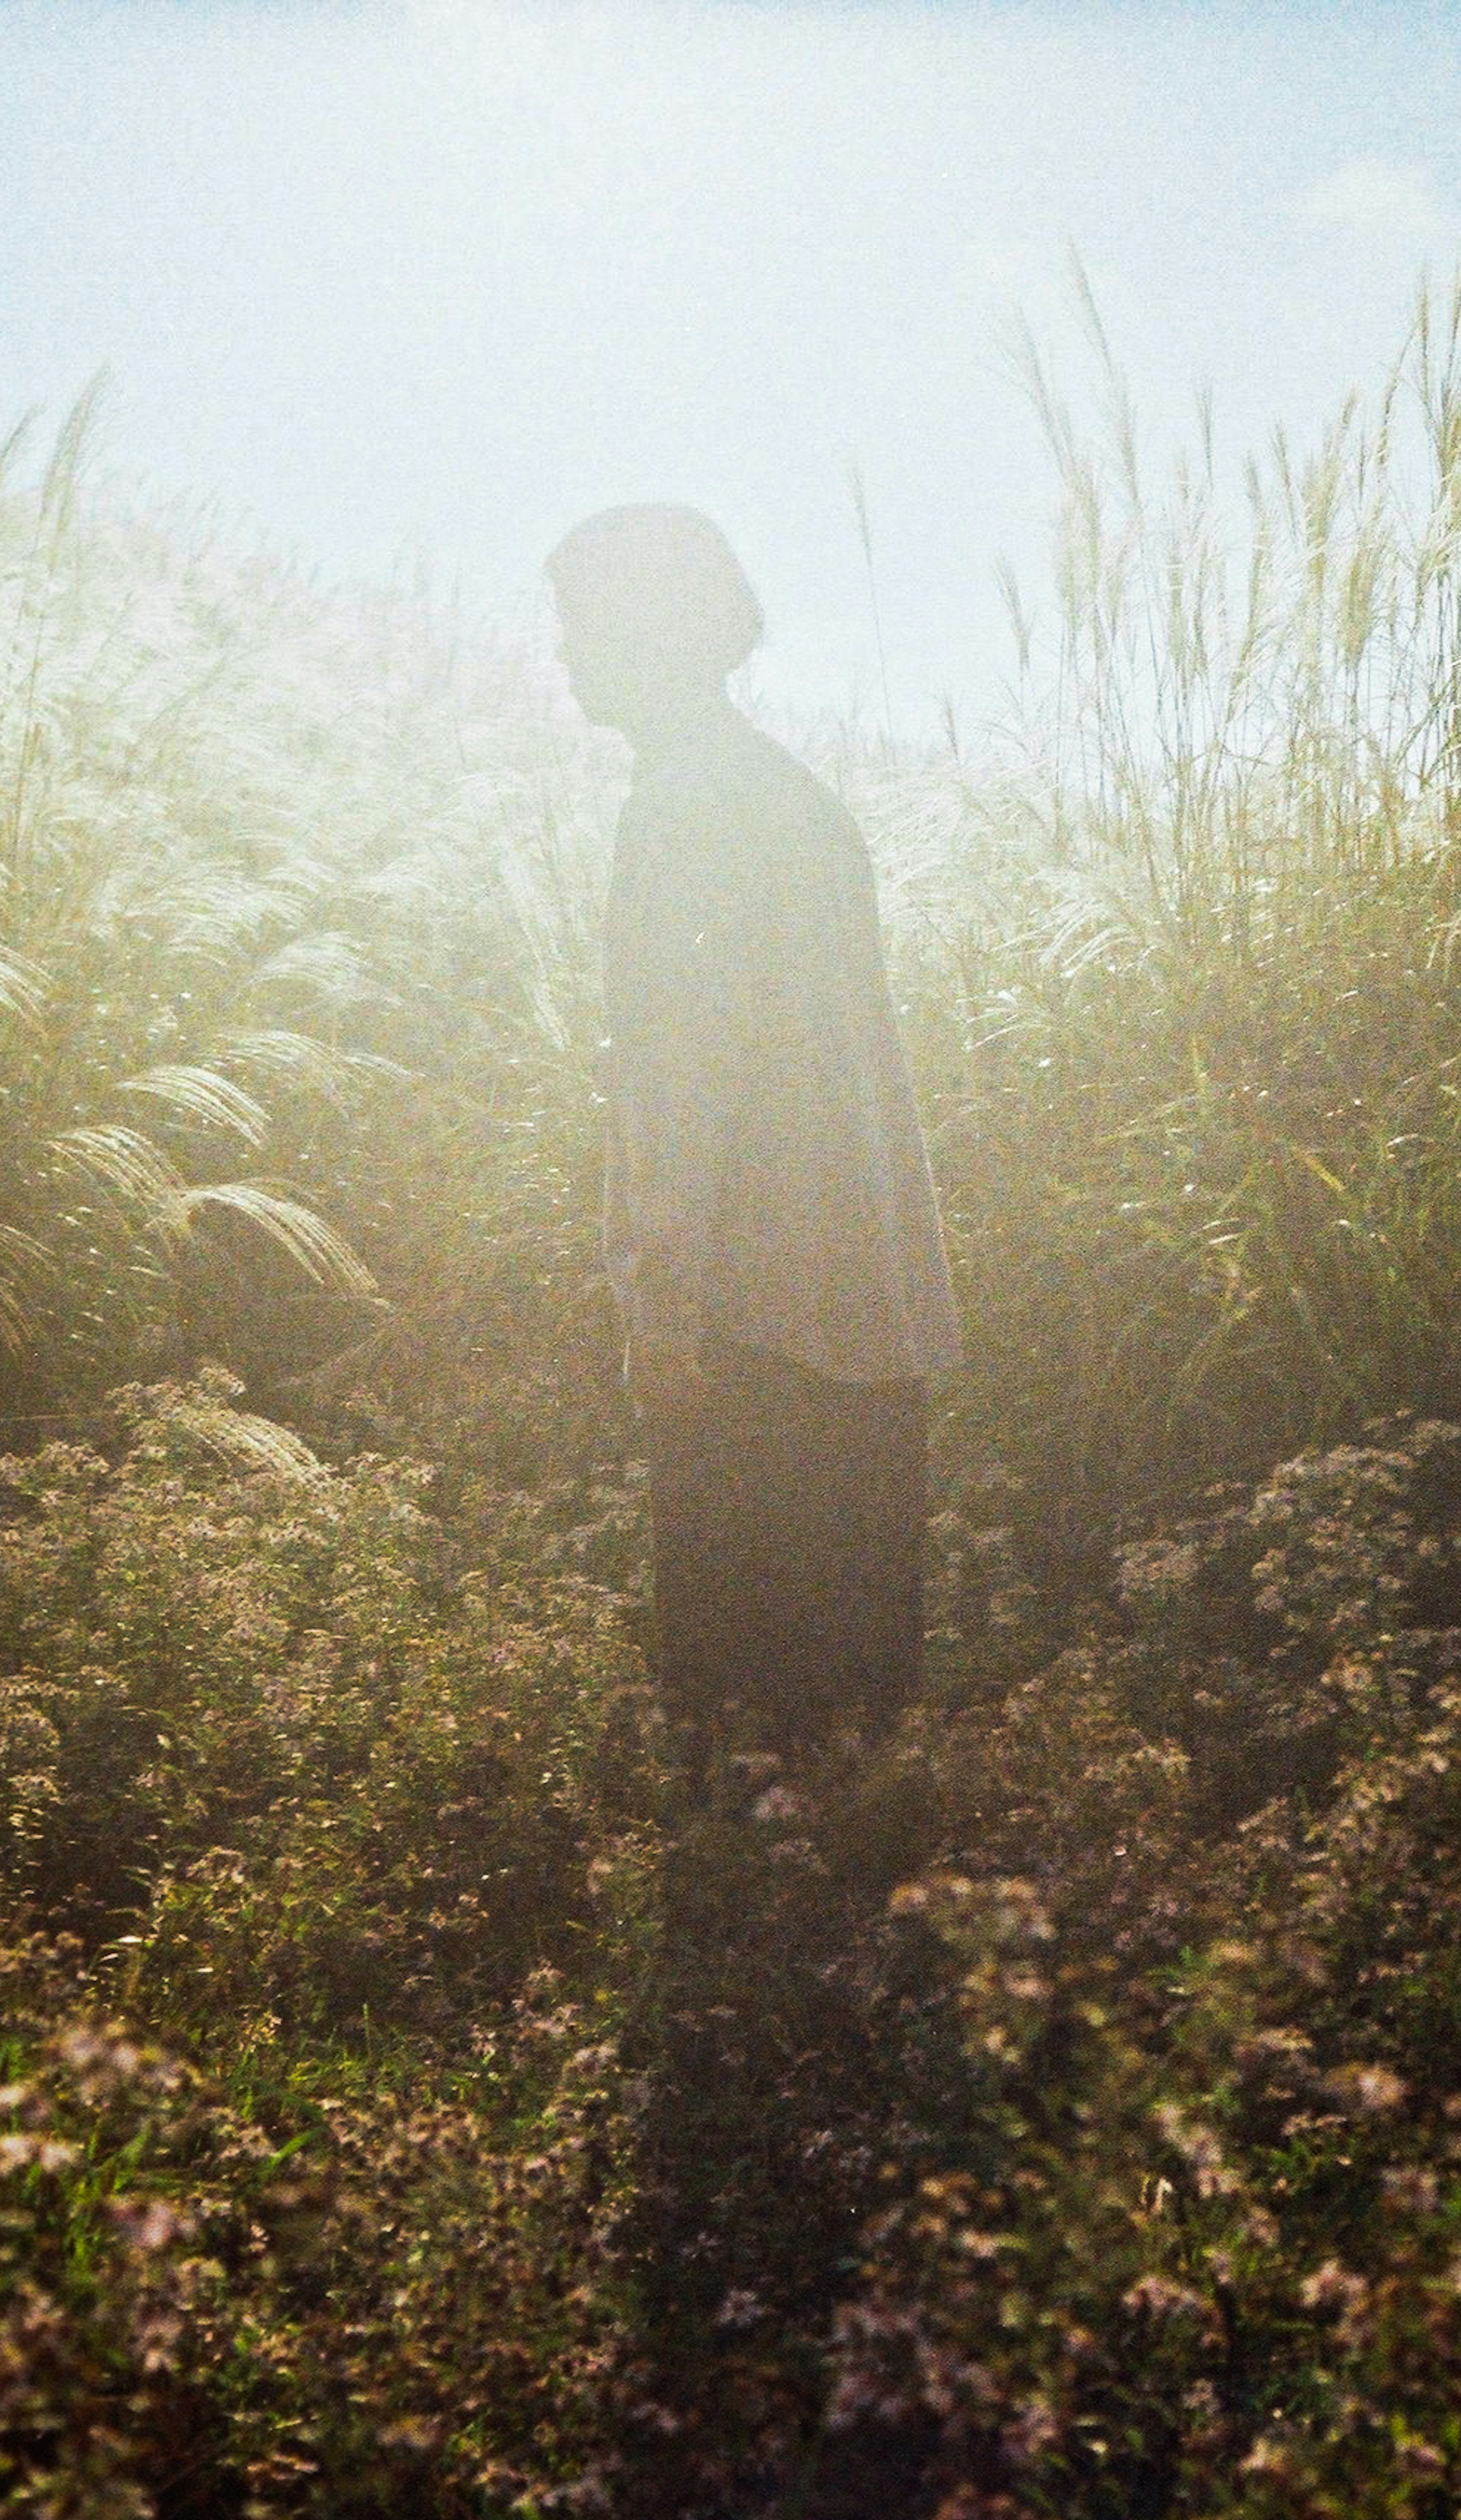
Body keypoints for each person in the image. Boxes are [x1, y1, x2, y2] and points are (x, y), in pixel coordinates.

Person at [547, 504, 962, 1758]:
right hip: (862, 1305)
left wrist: (660, 1282)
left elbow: (684, 1067)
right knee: (853, 1710)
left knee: (742, 1721)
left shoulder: (681, 807)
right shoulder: (793, 795)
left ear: (648, 632)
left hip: (752, 1314)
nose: (564, 656)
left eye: (579, 624)